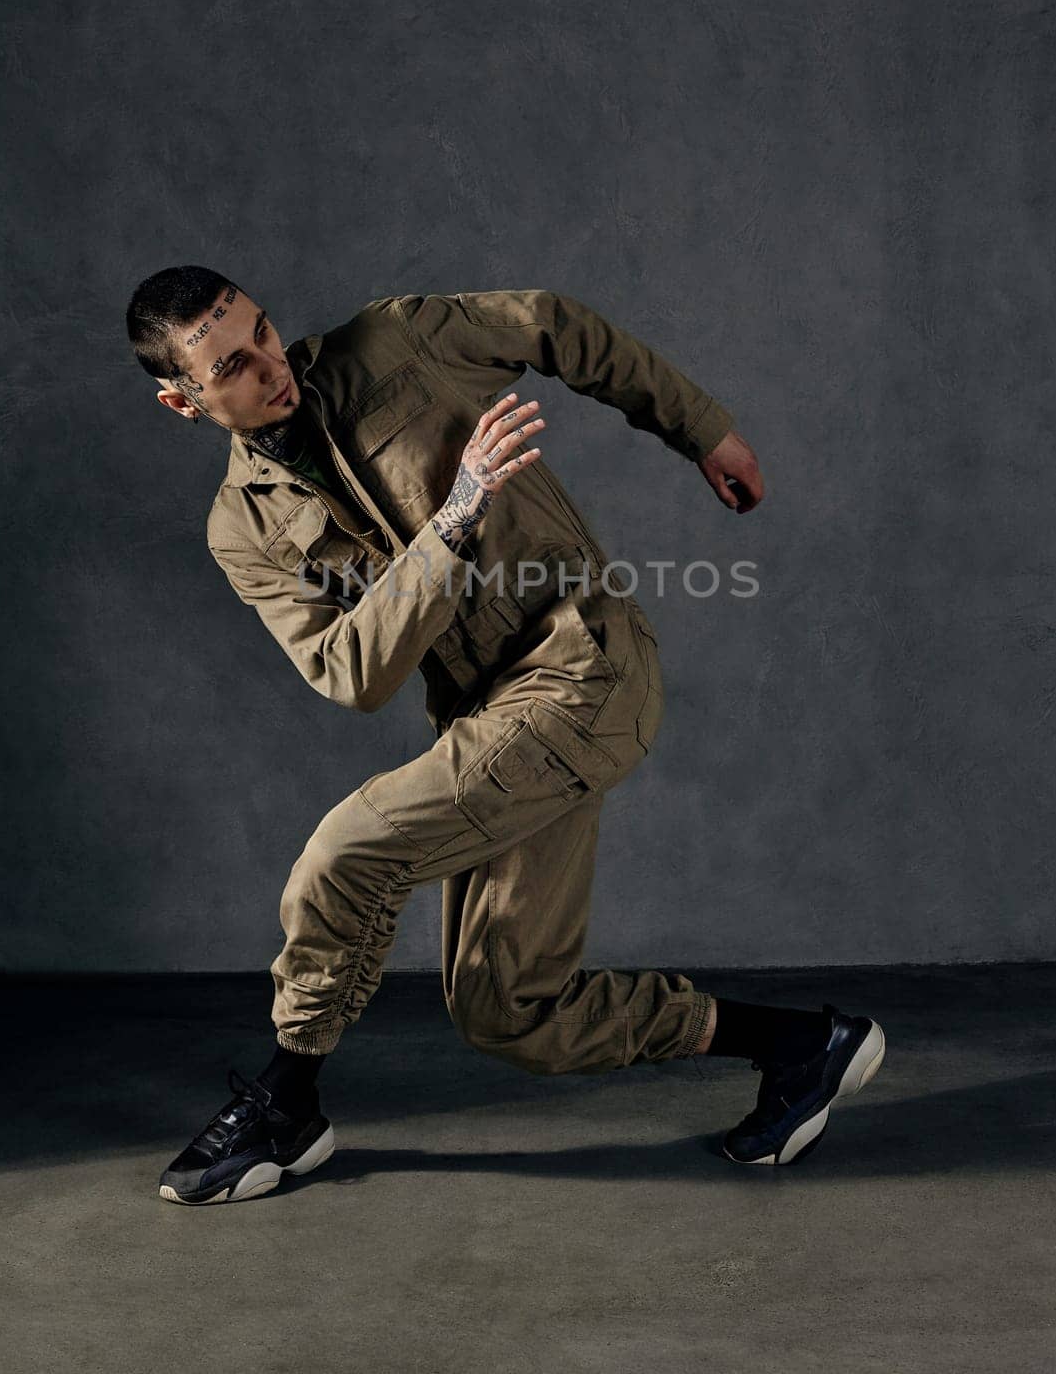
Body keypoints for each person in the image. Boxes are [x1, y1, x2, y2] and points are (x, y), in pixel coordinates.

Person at [125, 267, 885, 1203]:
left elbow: (557, 325)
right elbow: (351, 672)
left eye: (263, 333)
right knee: (510, 1012)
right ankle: (802, 1046)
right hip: (490, 718)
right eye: (230, 366)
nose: (269, 367)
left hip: (583, 667)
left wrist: (702, 429)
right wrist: (454, 518)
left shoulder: (396, 343)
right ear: (182, 401)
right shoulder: (241, 529)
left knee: (348, 851)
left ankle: (286, 1105)